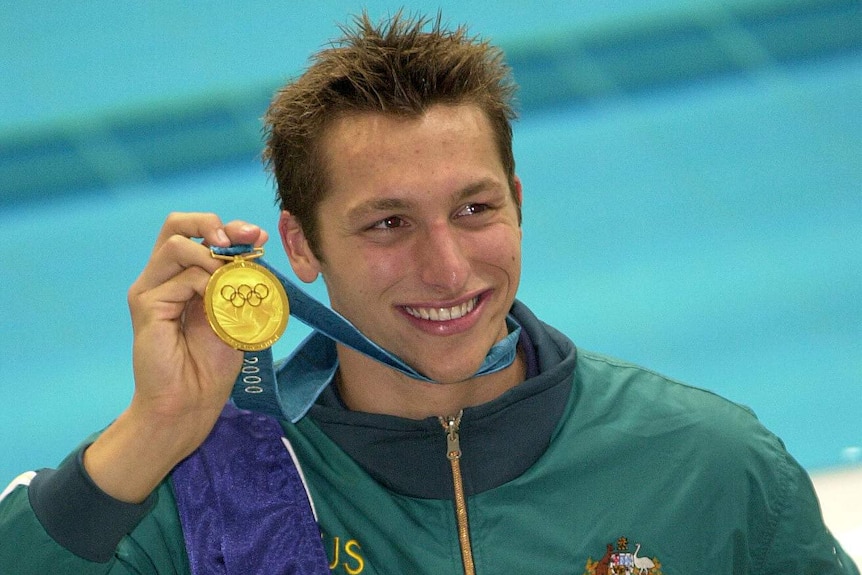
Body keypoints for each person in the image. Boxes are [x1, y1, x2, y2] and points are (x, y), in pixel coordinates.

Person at [0, 11, 856, 575]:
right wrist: (155, 430)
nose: (448, 270)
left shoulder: (705, 463)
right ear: (300, 245)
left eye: (475, 209)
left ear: (518, 204)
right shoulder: (203, 495)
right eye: (388, 224)